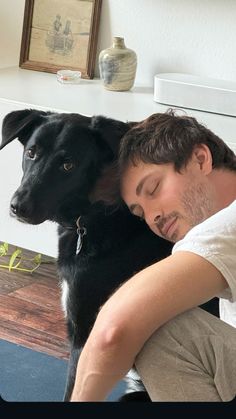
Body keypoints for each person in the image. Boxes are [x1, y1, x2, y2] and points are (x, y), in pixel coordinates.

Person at [70, 109, 236, 402]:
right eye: (140, 213)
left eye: (153, 188)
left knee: (158, 327)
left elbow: (115, 328)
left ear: (200, 158)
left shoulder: (227, 226)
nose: (153, 217)